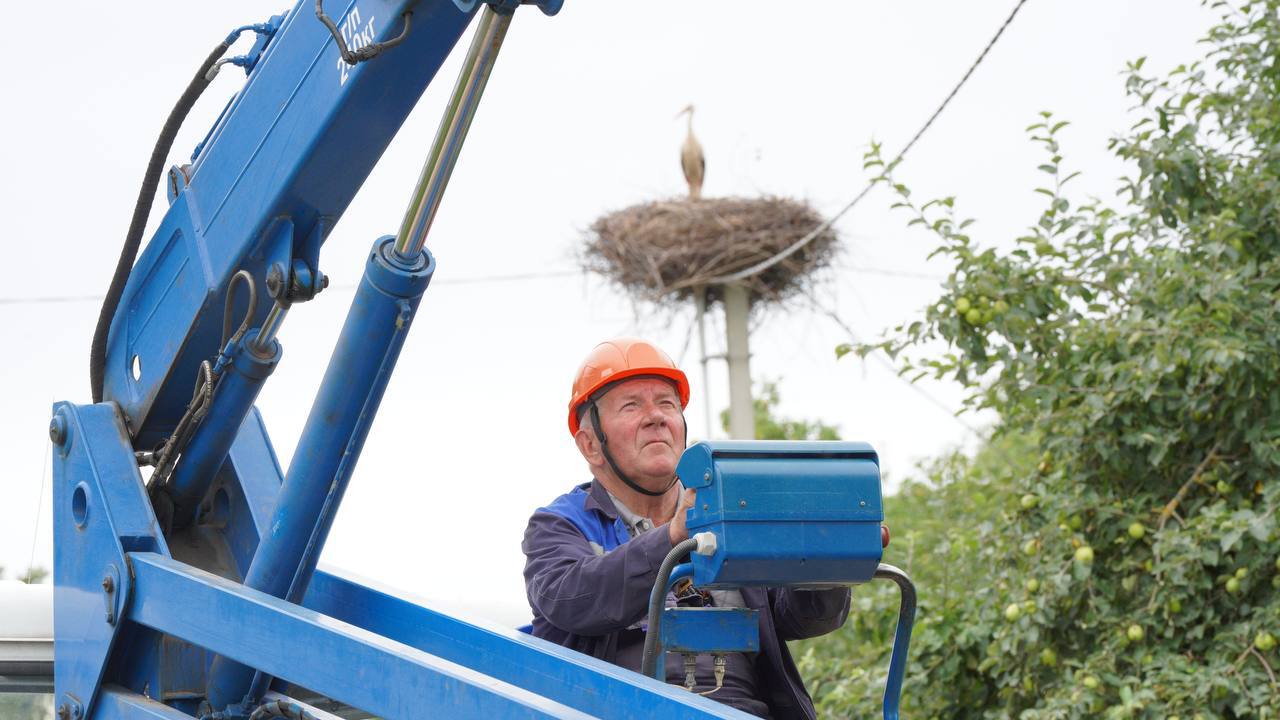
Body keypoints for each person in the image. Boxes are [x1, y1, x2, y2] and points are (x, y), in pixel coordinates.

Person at [522, 338, 850, 719]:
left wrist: (827, 561)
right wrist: (671, 538)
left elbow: (801, 616)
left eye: (667, 404)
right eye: (631, 406)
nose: (655, 417)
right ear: (591, 444)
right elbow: (572, 600)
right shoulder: (558, 526)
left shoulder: (729, 512)